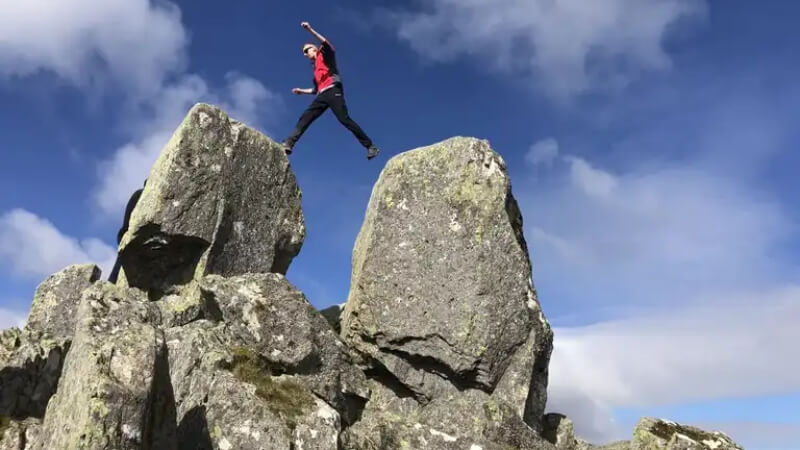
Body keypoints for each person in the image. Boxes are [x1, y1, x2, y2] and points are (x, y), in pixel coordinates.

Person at [281, 21, 380, 160]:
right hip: (322, 95)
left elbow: (326, 43)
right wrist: (301, 91)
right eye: (304, 52)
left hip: (334, 91)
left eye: (306, 51)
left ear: (314, 49)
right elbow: (316, 90)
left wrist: (310, 30)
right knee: (305, 117)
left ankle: (370, 146)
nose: (305, 54)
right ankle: (289, 143)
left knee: (344, 119)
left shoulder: (325, 56)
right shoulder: (315, 70)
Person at [108, 180, 146, 283]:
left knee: (117, 275)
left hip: (130, 239)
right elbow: (127, 224)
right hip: (131, 239)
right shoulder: (140, 194)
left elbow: (126, 224)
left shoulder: (139, 194)